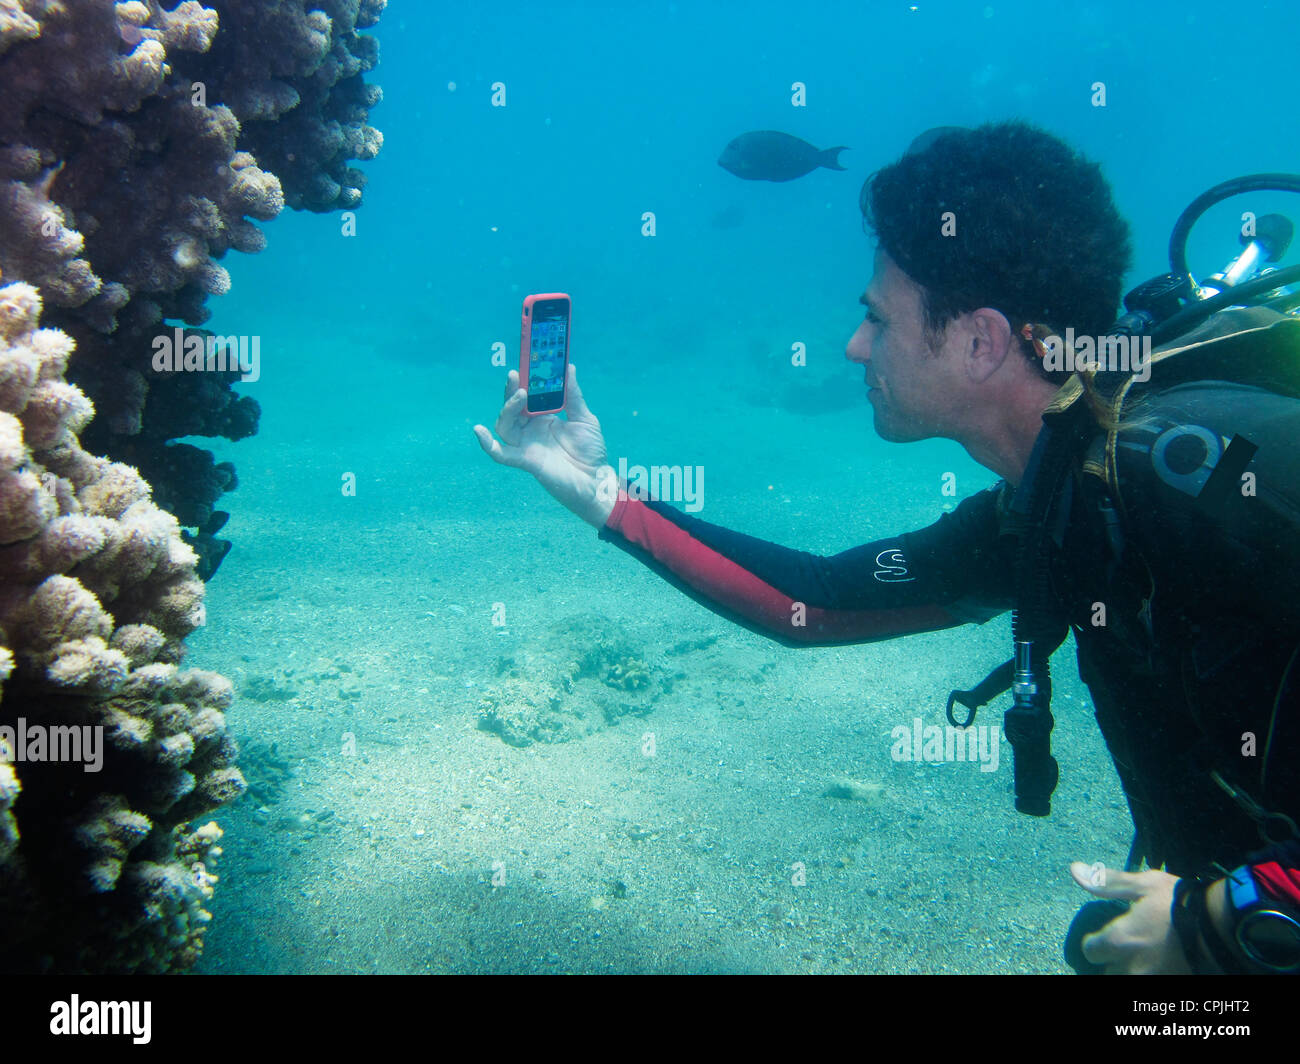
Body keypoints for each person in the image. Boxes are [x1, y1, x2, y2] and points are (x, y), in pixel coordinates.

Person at [474, 121, 1300, 975]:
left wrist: (1223, 919)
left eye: (876, 317)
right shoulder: (1066, 498)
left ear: (981, 342)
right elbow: (818, 601)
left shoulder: (1216, 480)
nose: (853, 346)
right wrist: (595, 491)